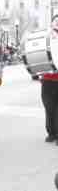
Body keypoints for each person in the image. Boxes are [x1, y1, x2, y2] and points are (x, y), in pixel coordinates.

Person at [42, 14, 58, 144]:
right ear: (51, 24)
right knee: (49, 107)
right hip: (47, 79)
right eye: (55, 21)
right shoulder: (46, 37)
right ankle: (51, 133)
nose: (57, 23)